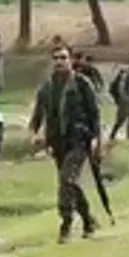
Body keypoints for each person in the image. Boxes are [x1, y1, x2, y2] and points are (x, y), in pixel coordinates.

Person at [29, 45, 102, 243]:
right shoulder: (47, 86)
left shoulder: (81, 84)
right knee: (70, 183)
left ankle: (66, 223)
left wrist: (97, 140)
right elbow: (38, 113)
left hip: (79, 141)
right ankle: (88, 220)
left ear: (70, 60)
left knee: (67, 180)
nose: (59, 61)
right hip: (57, 143)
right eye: (55, 58)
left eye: (63, 57)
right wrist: (35, 134)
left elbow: (95, 113)